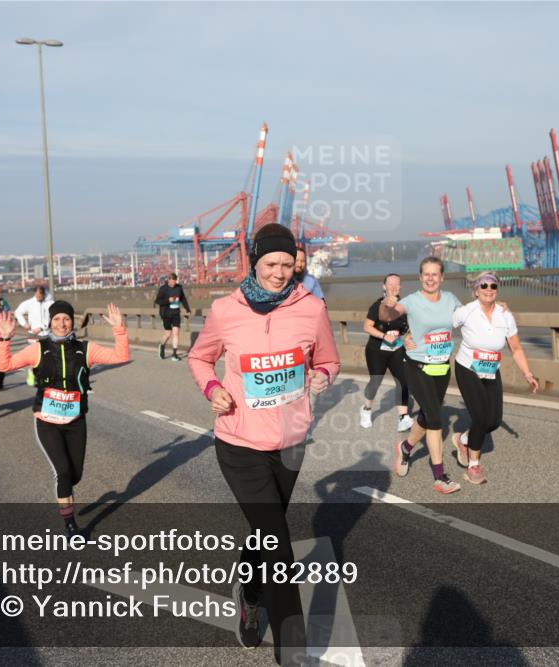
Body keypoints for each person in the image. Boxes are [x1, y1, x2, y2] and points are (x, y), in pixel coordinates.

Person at [188, 223, 340, 666]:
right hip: (238, 444)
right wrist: (213, 387)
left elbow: (329, 359)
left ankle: (249, 596)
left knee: (264, 534)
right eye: (271, 264)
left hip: (291, 443)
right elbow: (200, 357)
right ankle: (292, 652)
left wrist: (322, 377)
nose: (279, 273)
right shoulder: (225, 310)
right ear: (253, 262)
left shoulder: (311, 309)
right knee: (278, 545)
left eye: (287, 264)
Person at [0, 302, 130, 535]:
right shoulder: (38, 348)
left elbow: (121, 355)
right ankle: (70, 525)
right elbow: (3, 365)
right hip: (47, 420)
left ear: (72, 322)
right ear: (49, 322)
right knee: (63, 472)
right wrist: (5, 339)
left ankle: (65, 488)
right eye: (56, 319)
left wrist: (119, 329)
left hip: (76, 421)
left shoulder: (85, 349)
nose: (61, 324)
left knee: (75, 473)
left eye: (66, 319)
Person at [450, 273, 539, 484]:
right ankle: (473, 466)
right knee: (480, 418)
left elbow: (515, 348)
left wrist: (528, 374)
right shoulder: (466, 312)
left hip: (491, 370)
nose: (489, 289)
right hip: (468, 368)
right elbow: (443, 324)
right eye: (484, 286)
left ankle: (463, 439)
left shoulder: (505, 315)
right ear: (476, 290)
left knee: (494, 421)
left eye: (493, 286)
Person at [389, 256, 464, 494]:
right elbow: (389, 315)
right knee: (435, 418)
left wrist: (494, 306)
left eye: (435, 274)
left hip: (441, 367)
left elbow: (470, 316)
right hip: (416, 367)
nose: (431, 278)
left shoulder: (451, 299)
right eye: (426, 274)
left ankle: (405, 449)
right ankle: (440, 475)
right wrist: (402, 333)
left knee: (426, 415)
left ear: (442, 277)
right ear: (420, 277)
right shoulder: (411, 301)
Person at [360, 273, 413, 432]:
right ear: (384, 287)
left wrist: (407, 338)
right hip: (376, 350)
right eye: (390, 284)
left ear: (400, 286)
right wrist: (384, 336)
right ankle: (366, 410)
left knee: (403, 381)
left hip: (396, 349)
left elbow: (408, 328)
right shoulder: (377, 306)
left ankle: (403, 417)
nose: (393, 287)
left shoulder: (403, 306)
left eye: (397, 284)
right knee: (375, 382)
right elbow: (367, 327)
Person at [14, 284, 54, 384]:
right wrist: (24, 324)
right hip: (33, 334)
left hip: (46, 333)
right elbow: (18, 312)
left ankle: (43, 376)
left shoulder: (50, 303)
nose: (38, 296)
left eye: (40, 294)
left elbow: (52, 317)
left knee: (47, 357)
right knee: (36, 357)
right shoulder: (30, 303)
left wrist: (42, 327)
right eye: (37, 293)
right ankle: (32, 373)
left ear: (44, 293)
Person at [154, 273, 190, 360]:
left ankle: (174, 354)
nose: (174, 283)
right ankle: (162, 345)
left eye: (175, 281)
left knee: (176, 332)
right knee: (168, 333)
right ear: (169, 280)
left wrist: (187, 308)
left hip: (176, 313)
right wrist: (168, 300)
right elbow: (157, 301)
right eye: (172, 281)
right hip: (165, 313)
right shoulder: (163, 289)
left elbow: (183, 298)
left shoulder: (179, 287)